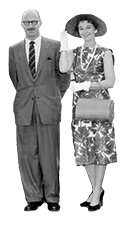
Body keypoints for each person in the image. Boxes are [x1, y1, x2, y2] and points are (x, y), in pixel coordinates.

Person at [8, 8, 70, 211]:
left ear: (40, 22)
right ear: (22, 25)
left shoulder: (54, 46)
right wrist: (28, 96)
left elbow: (63, 75)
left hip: (48, 107)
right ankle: (33, 197)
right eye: (27, 23)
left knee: (50, 155)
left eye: (34, 21)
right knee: (28, 155)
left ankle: (52, 198)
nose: (31, 26)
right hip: (24, 108)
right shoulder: (14, 50)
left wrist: (58, 98)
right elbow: (16, 80)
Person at [59, 13, 118, 211]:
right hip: (79, 105)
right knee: (86, 150)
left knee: (100, 149)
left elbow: (111, 82)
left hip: (99, 105)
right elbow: (63, 68)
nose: (84, 32)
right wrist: (65, 47)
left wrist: (86, 84)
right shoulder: (75, 51)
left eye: (88, 28)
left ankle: (97, 191)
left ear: (95, 29)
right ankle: (96, 191)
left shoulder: (105, 53)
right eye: (81, 28)